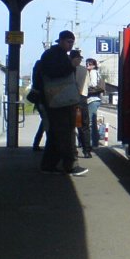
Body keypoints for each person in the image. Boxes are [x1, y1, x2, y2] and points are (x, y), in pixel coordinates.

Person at [38, 30, 88, 176]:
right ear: (60, 40)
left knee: (56, 135)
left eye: (72, 42)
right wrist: (72, 65)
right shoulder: (53, 55)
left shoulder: (55, 55)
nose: (70, 45)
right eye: (68, 41)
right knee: (65, 134)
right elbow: (55, 73)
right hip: (58, 100)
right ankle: (70, 165)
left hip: (59, 100)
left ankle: (48, 165)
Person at [70, 50, 92, 158]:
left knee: (74, 126)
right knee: (83, 126)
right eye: (79, 58)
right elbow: (89, 84)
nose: (80, 60)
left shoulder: (68, 69)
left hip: (73, 100)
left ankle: (73, 150)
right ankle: (87, 150)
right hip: (82, 100)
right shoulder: (84, 70)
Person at [30, 59, 47, 151]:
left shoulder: (36, 73)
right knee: (46, 122)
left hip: (38, 100)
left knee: (45, 122)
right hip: (44, 100)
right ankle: (38, 143)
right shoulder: (44, 76)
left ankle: (36, 143)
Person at [85, 58, 103, 148]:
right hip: (95, 99)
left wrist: (85, 84)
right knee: (92, 121)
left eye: (90, 64)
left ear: (94, 65)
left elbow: (93, 84)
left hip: (92, 99)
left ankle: (93, 142)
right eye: (87, 63)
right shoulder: (96, 72)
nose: (88, 65)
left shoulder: (92, 72)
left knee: (91, 122)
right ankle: (94, 142)